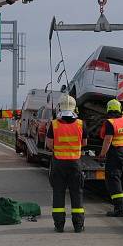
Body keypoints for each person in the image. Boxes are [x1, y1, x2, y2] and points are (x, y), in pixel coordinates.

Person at [45, 94, 88, 233]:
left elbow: (49, 144)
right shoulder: (81, 124)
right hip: (75, 163)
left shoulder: (54, 124)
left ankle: (59, 225)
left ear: (60, 107)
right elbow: (84, 143)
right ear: (74, 108)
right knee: (77, 193)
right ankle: (78, 225)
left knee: (58, 193)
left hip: (58, 164)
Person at [98, 97, 123, 217]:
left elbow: (107, 141)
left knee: (114, 180)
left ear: (108, 109)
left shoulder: (110, 123)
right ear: (120, 109)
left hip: (115, 153)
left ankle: (119, 210)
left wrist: (102, 154)